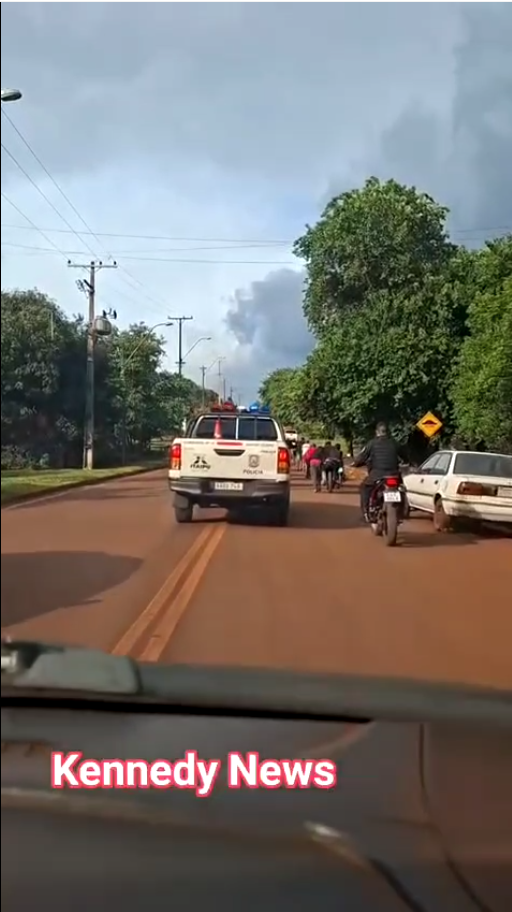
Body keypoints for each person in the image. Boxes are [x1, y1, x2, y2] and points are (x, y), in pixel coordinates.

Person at [353, 422, 405, 520]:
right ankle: (402, 511)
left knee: (364, 488)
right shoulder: (394, 443)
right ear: (387, 432)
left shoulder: (372, 443)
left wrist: (356, 463)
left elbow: (362, 457)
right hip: (394, 475)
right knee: (401, 488)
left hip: (377, 475)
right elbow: (405, 456)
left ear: (377, 432)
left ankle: (366, 512)